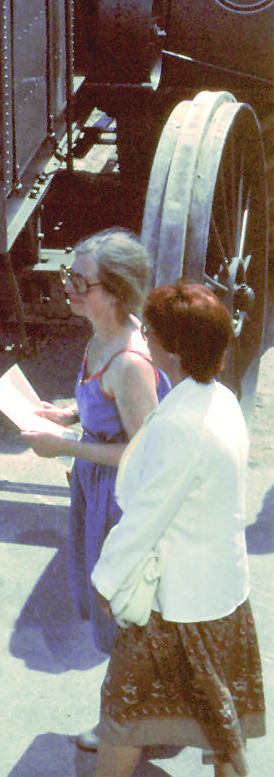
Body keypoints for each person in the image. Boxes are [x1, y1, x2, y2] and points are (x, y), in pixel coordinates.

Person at [90, 283, 265, 776]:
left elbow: (147, 518)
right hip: (225, 597)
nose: (143, 336)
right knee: (219, 722)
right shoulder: (222, 400)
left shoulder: (177, 426)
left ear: (174, 350)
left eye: (150, 331)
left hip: (176, 607)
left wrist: (105, 580)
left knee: (125, 718)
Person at [22, 230, 168, 749]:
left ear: (117, 291)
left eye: (81, 280)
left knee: (121, 610)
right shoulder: (100, 337)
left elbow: (143, 453)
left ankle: (125, 726)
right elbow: (99, 407)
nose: (70, 287)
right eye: (70, 275)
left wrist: (64, 447)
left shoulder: (130, 363)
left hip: (122, 498)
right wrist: (64, 412)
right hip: (98, 487)